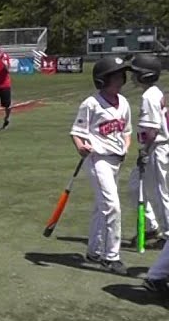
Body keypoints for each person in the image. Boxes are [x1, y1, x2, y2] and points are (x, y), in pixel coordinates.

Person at [71, 56, 133, 275]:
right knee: (112, 206)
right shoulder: (91, 104)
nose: (120, 79)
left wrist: (126, 147)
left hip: (116, 160)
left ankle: (94, 250)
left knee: (101, 206)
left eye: (121, 75)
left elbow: (127, 131)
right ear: (102, 79)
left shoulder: (124, 102)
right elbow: (77, 132)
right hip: (97, 160)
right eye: (115, 75)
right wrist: (80, 147)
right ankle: (111, 256)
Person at [128, 54, 169, 247]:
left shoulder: (149, 96)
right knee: (136, 187)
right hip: (153, 147)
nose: (132, 76)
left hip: (156, 148)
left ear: (145, 75)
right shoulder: (154, 92)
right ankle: (152, 227)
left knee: (159, 193)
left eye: (136, 73)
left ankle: (167, 234)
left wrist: (144, 151)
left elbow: (152, 131)